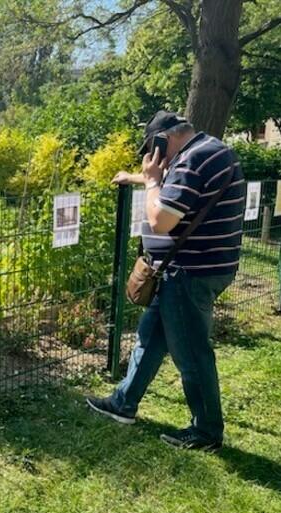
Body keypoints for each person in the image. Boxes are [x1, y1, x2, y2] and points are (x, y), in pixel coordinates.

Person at [86, 111, 245, 452]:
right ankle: (123, 404)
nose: (155, 156)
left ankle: (206, 433)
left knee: (191, 353)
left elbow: (161, 221)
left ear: (164, 138)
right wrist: (136, 178)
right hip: (187, 270)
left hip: (188, 273)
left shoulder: (193, 159)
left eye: (155, 147)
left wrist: (152, 180)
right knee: (150, 337)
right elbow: (180, 190)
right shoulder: (208, 151)